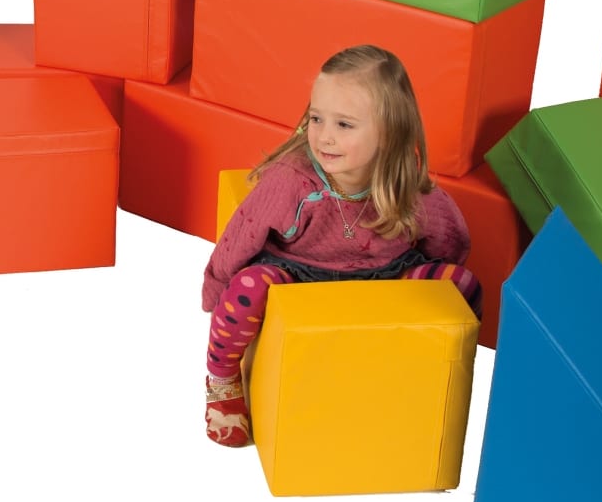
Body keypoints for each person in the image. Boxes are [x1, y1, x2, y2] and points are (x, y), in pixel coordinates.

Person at [199, 45, 483, 447]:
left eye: (344, 125)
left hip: (386, 277)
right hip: (296, 275)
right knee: (247, 289)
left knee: (464, 284)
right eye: (316, 118)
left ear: (390, 132)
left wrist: (438, 287)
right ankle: (222, 380)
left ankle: (437, 374)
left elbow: (449, 237)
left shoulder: (406, 187)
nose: (324, 136)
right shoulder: (292, 180)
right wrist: (216, 289)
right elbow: (243, 232)